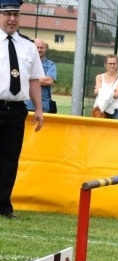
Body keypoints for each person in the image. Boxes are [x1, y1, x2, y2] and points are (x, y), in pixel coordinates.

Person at [0, 0, 44, 220]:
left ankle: (3, 207)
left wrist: (38, 108)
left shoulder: (27, 46)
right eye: (7, 13)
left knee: (9, 159)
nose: (12, 19)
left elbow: (34, 79)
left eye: (16, 14)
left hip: (16, 110)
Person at [24, 38, 54, 113]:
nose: (39, 50)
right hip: (25, 105)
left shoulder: (50, 65)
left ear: (45, 48)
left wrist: (28, 79)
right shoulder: (25, 62)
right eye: (37, 47)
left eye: (42, 47)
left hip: (43, 107)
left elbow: (49, 81)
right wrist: (40, 79)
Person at [93, 54, 118, 119]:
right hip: (101, 109)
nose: (112, 65)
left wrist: (100, 90)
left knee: (116, 129)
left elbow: (116, 95)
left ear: (117, 64)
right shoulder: (99, 77)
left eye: (114, 63)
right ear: (105, 64)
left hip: (116, 110)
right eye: (110, 63)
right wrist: (112, 90)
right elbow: (97, 92)